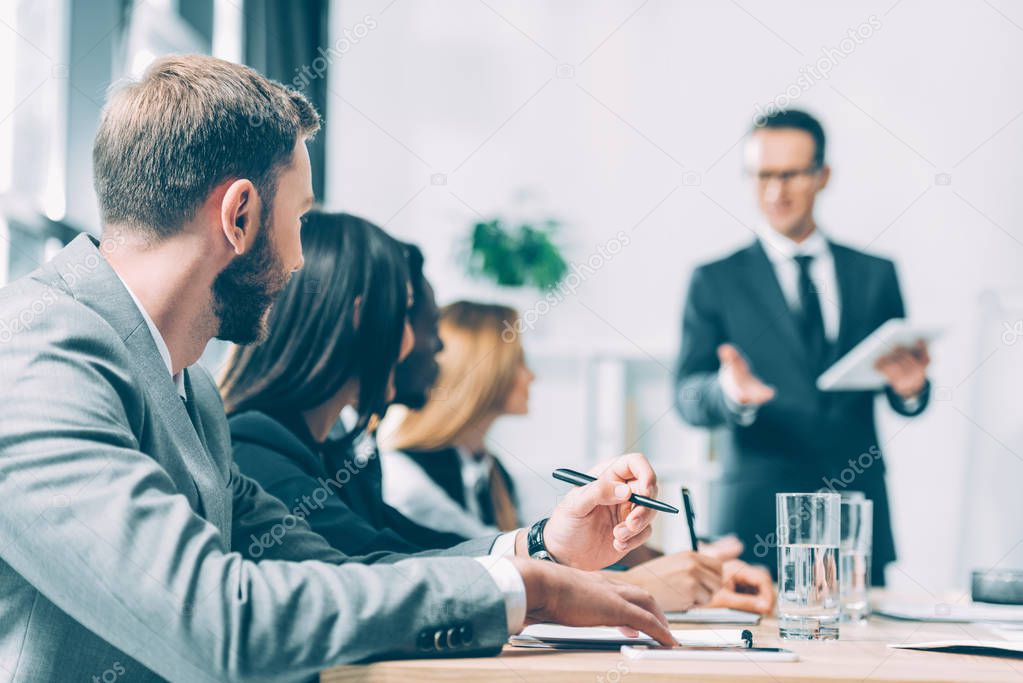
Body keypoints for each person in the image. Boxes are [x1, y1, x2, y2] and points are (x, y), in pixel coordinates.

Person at [0, 54, 677, 682]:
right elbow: (215, 619)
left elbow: (338, 573)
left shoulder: (190, 392)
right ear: (239, 215)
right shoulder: (34, 356)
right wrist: (524, 589)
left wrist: (541, 550)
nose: (298, 261)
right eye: (299, 217)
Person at [383, 300, 775, 614]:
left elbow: (547, 543)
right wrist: (655, 582)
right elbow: (497, 564)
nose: (530, 376)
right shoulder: (405, 478)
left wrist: (693, 566)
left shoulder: (487, 468)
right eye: (519, 362)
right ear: (485, 375)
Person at [674, 109, 931, 585]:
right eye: (762, 176)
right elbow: (686, 395)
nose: (776, 191)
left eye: (790, 174)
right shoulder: (714, 281)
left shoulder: (876, 275)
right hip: (757, 523)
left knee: (867, 655)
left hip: (855, 518)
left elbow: (902, 391)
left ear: (823, 175)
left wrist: (911, 389)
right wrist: (728, 392)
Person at [222, 211, 470, 554]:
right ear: (360, 319)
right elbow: (387, 566)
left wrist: (530, 547)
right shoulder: (253, 457)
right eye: (404, 314)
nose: (411, 341)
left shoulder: (336, 453)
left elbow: (417, 544)